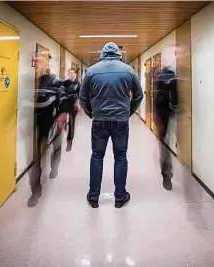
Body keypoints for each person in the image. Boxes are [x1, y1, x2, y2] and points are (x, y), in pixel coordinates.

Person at [79, 42, 143, 209]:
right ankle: (120, 197)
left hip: (99, 120)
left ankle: (94, 196)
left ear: (102, 54)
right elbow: (139, 95)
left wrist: (90, 112)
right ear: (118, 54)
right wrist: (128, 112)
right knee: (120, 157)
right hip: (121, 121)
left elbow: (82, 96)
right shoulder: (128, 70)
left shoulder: (92, 71)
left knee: (96, 156)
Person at [28, 65, 69, 207]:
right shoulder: (33, 82)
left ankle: (54, 166)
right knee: (37, 157)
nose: (38, 66)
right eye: (36, 63)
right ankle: (36, 192)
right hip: (39, 124)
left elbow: (63, 100)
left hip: (54, 121)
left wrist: (62, 116)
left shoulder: (55, 80)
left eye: (40, 63)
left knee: (56, 147)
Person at [153, 66, 178, 191]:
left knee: (164, 144)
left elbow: (157, 101)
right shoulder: (172, 79)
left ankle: (166, 173)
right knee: (165, 144)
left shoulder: (161, 80)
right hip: (169, 113)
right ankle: (166, 173)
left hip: (162, 114)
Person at [65, 68, 80, 152]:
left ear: (75, 75)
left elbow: (80, 95)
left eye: (72, 73)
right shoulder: (65, 83)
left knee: (71, 122)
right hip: (64, 105)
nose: (71, 75)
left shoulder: (78, 84)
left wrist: (78, 104)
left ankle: (69, 140)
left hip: (73, 106)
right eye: (69, 73)